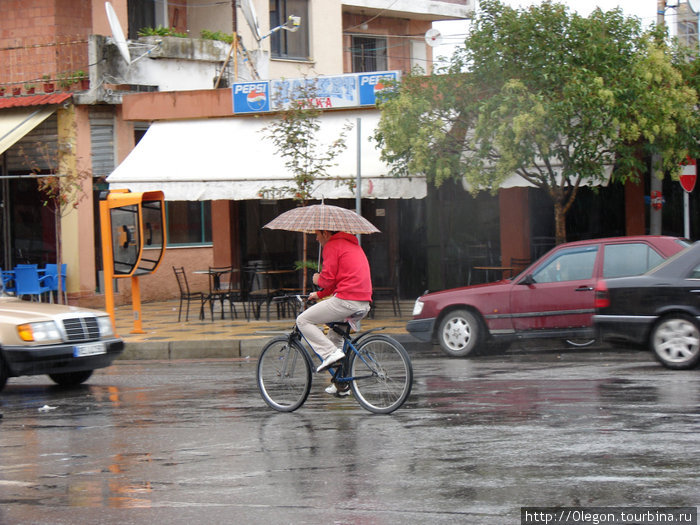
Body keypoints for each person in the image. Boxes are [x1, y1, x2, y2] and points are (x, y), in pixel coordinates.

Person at [296, 230, 372, 394]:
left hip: (346, 301)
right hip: (363, 303)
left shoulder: (332, 246)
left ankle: (330, 354)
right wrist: (319, 294)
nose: (316, 238)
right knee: (334, 337)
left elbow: (327, 279)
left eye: (317, 234)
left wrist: (316, 279)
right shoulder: (353, 246)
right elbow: (337, 281)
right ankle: (341, 385)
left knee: (302, 321)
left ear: (325, 232)